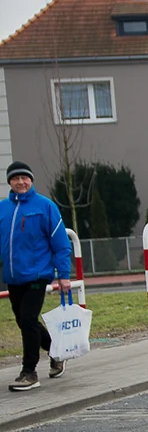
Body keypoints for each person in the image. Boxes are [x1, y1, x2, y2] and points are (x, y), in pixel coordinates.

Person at [0, 161, 72, 391]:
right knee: (23, 321)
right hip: (13, 276)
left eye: (25, 178)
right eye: (15, 178)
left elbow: (61, 243)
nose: (20, 182)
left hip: (38, 274)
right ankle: (56, 352)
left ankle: (29, 372)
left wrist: (63, 275)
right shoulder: (3, 208)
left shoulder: (45, 206)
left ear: (31, 180)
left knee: (29, 319)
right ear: (9, 181)